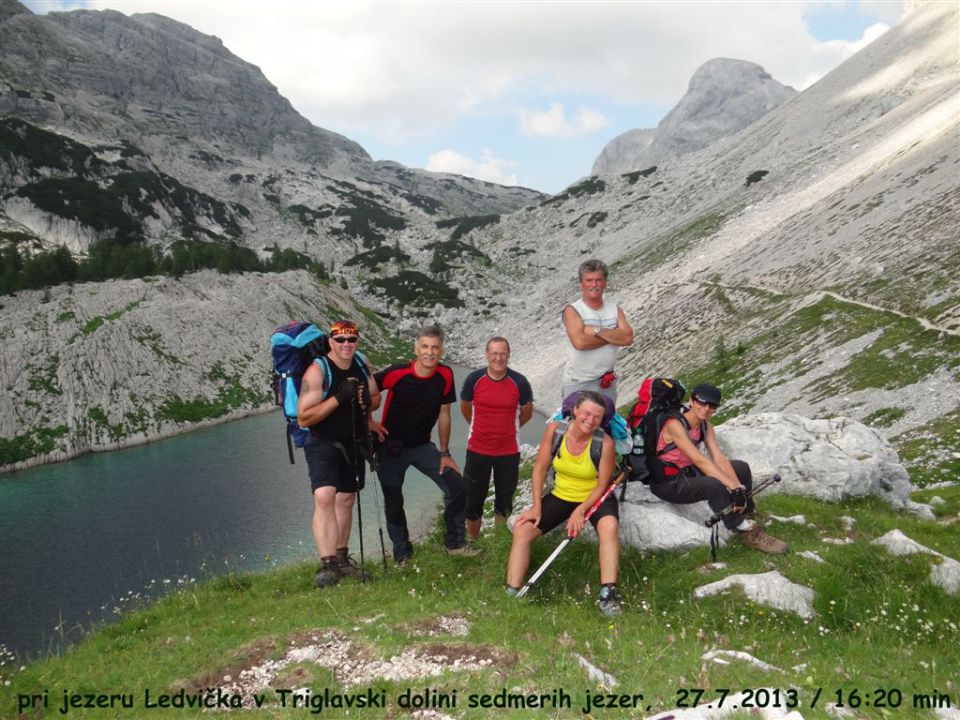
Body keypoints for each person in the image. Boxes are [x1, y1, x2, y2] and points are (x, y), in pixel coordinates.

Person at [505, 391, 623, 616]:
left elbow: (602, 485)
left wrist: (581, 510)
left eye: (597, 417)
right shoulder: (555, 430)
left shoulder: (604, 443)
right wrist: (536, 506)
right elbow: (539, 468)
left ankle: (608, 594)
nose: (590, 420)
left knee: (609, 527)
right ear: (575, 411)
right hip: (562, 494)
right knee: (522, 529)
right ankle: (513, 590)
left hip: (595, 496)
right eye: (586, 413)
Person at [371, 325, 478, 564]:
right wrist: (369, 422)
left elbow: (444, 414)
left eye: (435, 347)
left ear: (441, 351)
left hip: (422, 446)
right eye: (425, 347)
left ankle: (455, 544)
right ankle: (402, 554)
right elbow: (367, 391)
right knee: (394, 501)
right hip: (390, 447)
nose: (430, 352)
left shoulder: (446, 375)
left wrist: (445, 452)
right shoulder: (397, 373)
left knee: (456, 486)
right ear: (416, 349)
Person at [648, 383, 788, 554]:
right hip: (668, 482)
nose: (706, 408)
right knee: (715, 485)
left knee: (741, 468)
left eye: (712, 405)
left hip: (688, 474)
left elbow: (718, 457)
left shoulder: (706, 426)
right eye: (701, 402)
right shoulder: (674, 424)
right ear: (691, 401)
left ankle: (747, 513)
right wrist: (732, 486)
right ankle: (744, 529)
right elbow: (699, 459)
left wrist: (738, 489)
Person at [297, 320, 381, 588]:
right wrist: (338, 398)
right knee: (324, 496)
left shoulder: (361, 362)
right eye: (341, 340)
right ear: (331, 342)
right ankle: (328, 563)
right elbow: (304, 417)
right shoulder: (317, 371)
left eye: (352, 339)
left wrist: (366, 404)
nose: (347, 345)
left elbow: (375, 397)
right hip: (323, 442)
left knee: (346, 499)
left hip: (353, 441)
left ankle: (342, 559)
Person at [460, 336, 534, 541]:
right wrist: (480, 428)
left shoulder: (519, 382)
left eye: (502, 353)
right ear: (487, 354)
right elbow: (466, 407)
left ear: (508, 355)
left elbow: (527, 412)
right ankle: (472, 540)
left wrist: (508, 429)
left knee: (504, 498)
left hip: (508, 451)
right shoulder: (474, 379)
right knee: (474, 499)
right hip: (477, 448)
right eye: (494, 353)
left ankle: (498, 542)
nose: (498, 358)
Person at [561, 258, 633, 403]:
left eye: (598, 280)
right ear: (581, 284)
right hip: (579, 382)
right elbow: (580, 342)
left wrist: (596, 330)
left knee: (605, 424)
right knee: (575, 423)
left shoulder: (614, 309)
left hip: (606, 382)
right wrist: (613, 335)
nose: (594, 285)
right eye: (589, 280)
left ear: (605, 282)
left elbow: (627, 338)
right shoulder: (573, 310)